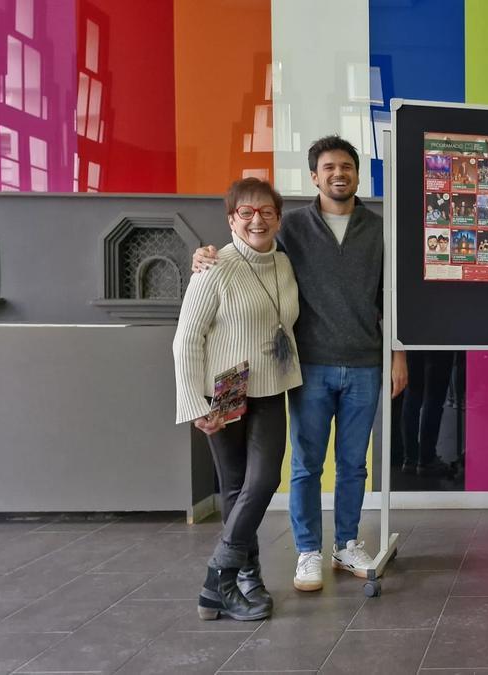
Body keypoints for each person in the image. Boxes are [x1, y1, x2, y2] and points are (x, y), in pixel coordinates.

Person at [192, 135, 408, 594]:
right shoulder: (288, 227)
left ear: (356, 173)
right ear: (315, 176)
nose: (338, 173)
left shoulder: (379, 229)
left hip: (366, 364)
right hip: (302, 368)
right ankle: (305, 550)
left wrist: (397, 355)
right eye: (329, 167)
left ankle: (346, 544)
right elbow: (246, 255)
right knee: (305, 465)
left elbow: (392, 299)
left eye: (346, 166)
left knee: (353, 465)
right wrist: (205, 253)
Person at [175, 178, 300, 621]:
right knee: (234, 486)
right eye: (245, 212)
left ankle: (218, 576)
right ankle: (246, 577)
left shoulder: (284, 265)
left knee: (262, 481)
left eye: (266, 211)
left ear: (278, 219)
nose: (256, 220)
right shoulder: (214, 267)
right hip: (227, 387)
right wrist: (195, 404)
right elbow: (186, 339)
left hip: (271, 384)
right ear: (231, 220)